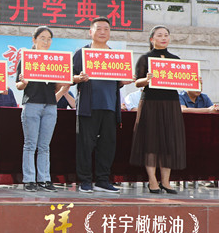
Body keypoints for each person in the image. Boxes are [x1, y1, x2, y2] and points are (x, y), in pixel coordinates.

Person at [71, 17, 131, 194]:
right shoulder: (82, 53)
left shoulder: (115, 56)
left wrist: (123, 82)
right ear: (90, 32)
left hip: (110, 106)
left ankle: (103, 180)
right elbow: (69, 77)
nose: (103, 32)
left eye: (106, 29)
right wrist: (79, 78)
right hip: (88, 107)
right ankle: (85, 181)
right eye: (98, 29)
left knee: (107, 145)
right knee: (85, 145)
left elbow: (117, 83)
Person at [130, 25, 187, 194]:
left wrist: (193, 80)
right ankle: (152, 181)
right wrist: (147, 80)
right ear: (152, 39)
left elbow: (182, 80)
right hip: (151, 102)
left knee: (169, 142)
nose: (163, 38)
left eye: (166, 35)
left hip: (171, 103)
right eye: (159, 35)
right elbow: (137, 82)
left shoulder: (175, 59)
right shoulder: (145, 58)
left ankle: (166, 182)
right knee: (151, 142)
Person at [15, 26, 63, 192]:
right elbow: (19, 85)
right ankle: (29, 179)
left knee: (44, 146)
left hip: (50, 105)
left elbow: (56, 87)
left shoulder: (54, 61)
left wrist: (63, 81)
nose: (46, 42)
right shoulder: (26, 59)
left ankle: (44, 179)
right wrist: (24, 82)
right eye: (42, 38)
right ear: (34, 39)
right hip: (32, 104)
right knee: (30, 144)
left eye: (49, 39)